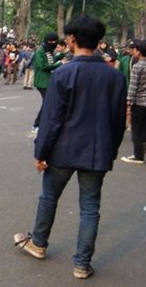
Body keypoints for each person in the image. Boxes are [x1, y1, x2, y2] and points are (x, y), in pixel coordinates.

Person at [14, 15, 127, 280]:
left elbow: (51, 119)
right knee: (90, 208)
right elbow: (119, 122)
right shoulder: (114, 77)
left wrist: (40, 153)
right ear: (98, 42)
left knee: (48, 198)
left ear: (72, 39)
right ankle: (81, 264)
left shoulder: (65, 72)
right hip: (97, 151)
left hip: (63, 151)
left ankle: (39, 244)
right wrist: (110, 152)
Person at [30, 33, 64, 134]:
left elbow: (51, 61)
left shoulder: (48, 51)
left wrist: (62, 55)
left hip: (48, 81)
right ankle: (36, 124)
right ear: (47, 41)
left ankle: (42, 123)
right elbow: (44, 66)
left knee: (48, 103)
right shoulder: (40, 52)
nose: (54, 44)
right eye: (52, 42)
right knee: (47, 103)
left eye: (55, 42)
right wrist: (59, 64)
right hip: (42, 82)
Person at [122, 40, 146, 164]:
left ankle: (138, 156)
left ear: (139, 51)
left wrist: (128, 102)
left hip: (140, 102)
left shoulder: (138, 66)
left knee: (137, 129)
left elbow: (133, 86)